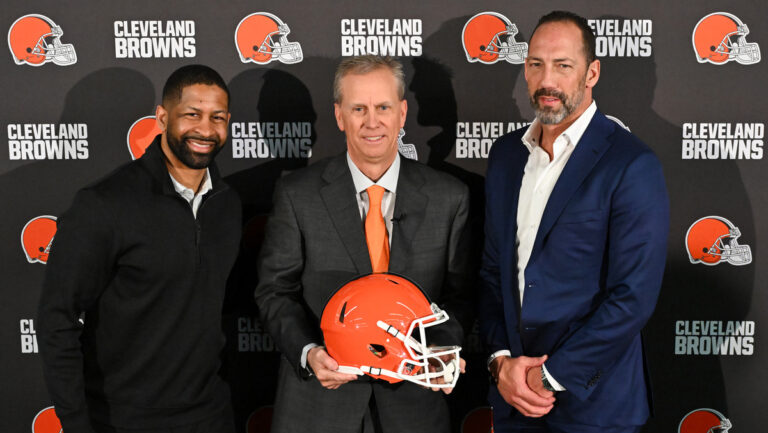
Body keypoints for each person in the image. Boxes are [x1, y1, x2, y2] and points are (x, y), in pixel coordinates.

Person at [255, 55, 473, 433]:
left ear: (402, 113)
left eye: (383, 107)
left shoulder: (448, 197)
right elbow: (274, 291)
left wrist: (438, 347)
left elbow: (463, 295)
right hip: (320, 407)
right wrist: (309, 353)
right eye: (359, 109)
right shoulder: (298, 194)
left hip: (413, 407)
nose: (372, 121)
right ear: (340, 116)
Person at [479, 11, 669, 433]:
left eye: (563, 66)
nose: (548, 80)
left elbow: (633, 297)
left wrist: (545, 377)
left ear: (592, 72)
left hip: (595, 406)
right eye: (536, 65)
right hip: (513, 400)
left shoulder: (631, 163)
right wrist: (500, 364)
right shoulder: (507, 155)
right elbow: (494, 273)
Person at [37, 65, 241, 433]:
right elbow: (57, 320)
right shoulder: (104, 204)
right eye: (191, 115)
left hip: (210, 416)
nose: (206, 130)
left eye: (218, 117)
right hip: (122, 420)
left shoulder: (228, 204)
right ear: (162, 117)